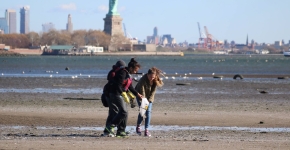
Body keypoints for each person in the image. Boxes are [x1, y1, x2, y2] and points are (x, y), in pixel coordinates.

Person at [105, 58, 143, 137]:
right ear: (131, 68)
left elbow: (130, 87)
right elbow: (118, 85)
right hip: (114, 94)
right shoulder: (123, 73)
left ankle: (121, 131)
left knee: (125, 113)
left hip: (119, 94)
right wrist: (124, 94)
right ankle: (111, 126)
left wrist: (138, 94)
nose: (136, 72)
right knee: (123, 111)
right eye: (135, 70)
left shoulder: (128, 74)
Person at [135, 67, 164, 137]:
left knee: (148, 112)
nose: (152, 78)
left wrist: (149, 100)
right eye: (151, 77)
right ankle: (138, 126)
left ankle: (146, 130)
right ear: (147, 75)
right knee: (143, 111)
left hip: (149, 97)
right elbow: (142, 91)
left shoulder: (155, 80)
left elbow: (153, 91)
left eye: (153, 77)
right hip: (140, 96)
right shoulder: (142, 80)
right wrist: (144, 100)